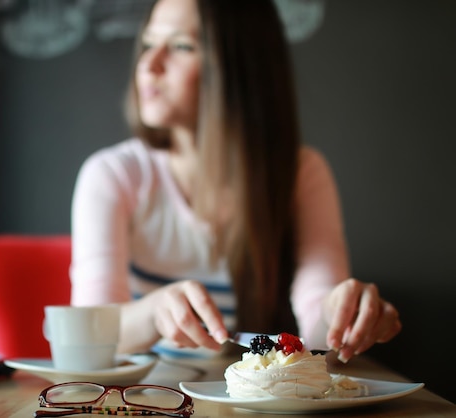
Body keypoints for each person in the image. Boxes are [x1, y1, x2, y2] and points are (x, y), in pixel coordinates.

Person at [69, 0, 401, 363]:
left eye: (181, 46)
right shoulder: (114, 175)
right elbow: (89, 332)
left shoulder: (301, 173)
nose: (149, 65)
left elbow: (321, 331)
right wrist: (153, 311)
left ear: (242, 68)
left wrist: (344, 315)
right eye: (148, 44)